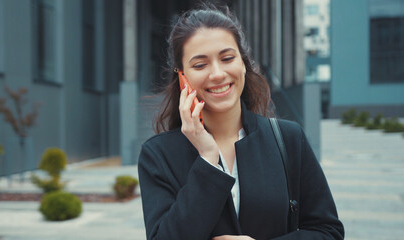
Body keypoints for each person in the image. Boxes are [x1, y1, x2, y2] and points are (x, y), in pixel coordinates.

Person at [138, 4, 344, 240]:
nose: (217, 74)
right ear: (182, 76)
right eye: (200, 65)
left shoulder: (288, 139)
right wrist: (207, 159)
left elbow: (328, 232)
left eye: (227, 58)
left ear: (243, 63)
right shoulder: (158, 155)